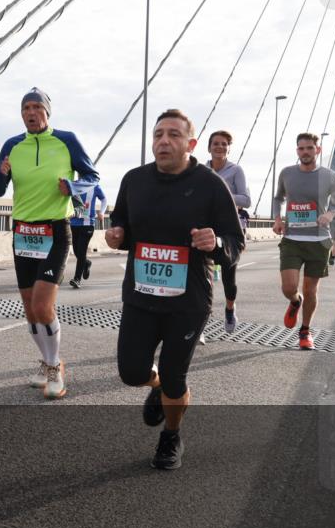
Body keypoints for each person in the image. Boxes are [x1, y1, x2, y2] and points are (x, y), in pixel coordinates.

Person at [105, 109, 244, 470]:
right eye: (158, 134)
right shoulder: (134, 180)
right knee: (131, 372)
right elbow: (121, 221)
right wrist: (117, 235)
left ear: (190, 144)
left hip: (188, 302)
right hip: (140, 296)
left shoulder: (211, 185)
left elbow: (235, 241)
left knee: (174, 375)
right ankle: (155, 387)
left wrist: (216, 243)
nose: (163, 141)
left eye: (173, 135)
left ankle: (171, 434)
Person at [0, 88, 99, 400]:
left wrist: (73, 187)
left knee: (42, 305)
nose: (31, 112)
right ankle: (48, 360)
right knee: (29, 308)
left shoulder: (67, 140)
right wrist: (2, 173)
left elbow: (92, 176)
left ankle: (54, 368)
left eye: (37, 107)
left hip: (55, 230)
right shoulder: (12, 145)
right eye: (26, 107)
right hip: (23, 232)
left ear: (47, 112)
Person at [272, 133, 335, 349]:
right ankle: (295, 301)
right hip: (292, 239)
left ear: (318, 150)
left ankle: (305, 331)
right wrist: (277, 218)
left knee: (310, 290)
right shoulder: (287, 173)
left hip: (319, 241)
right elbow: (278, 198)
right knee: (289, 287)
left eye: (309, 148)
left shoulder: (330, 176)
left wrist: (331, 214)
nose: (305, 152)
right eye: (301, 148)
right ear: (297, 150)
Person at [206, 130, 251, 333]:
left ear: (229, 148)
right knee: (201, 279)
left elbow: (246, 200)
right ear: (209, 147)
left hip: (229, 231)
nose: (220, 147)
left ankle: (230, 309)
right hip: (206, 229)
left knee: (228, 279)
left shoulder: (236, 170)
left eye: (224, 144)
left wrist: (221, 195)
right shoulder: (201, 170)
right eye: (216, 143)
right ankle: (201, 320)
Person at [68, 181, 106, 288]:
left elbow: (104, 199)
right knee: (76, 252)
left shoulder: (95, 186)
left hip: (88, 224)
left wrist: (102, 212)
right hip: (74, 223)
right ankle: (86, 263)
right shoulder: (74, 185)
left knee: (81, 251)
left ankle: (77, 279)